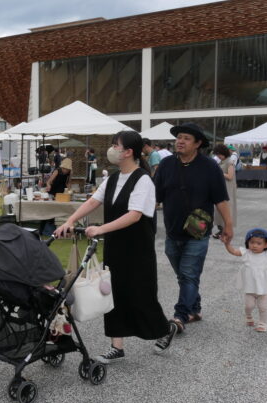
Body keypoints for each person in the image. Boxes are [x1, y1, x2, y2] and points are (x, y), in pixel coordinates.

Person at [55, 131, 177, 363]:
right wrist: (71, 221)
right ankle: (116, 346)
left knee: (141, 294)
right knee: (112, 293)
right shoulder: (113, 178)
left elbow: (134, 215)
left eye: (115, 145)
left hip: (137, 249)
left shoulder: (143, 180)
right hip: (115, 246)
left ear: (129, 152)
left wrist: (101, 229)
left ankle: (164, 328)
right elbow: (93, 201)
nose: (111, 149)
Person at [153, 122, 232, 334]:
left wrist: (228, 226)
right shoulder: (167, 165)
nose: (180, 141)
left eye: (186, 138)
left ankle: (180, 316)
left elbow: (221, 200)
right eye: (179, 137)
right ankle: (195, 309)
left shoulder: (210, 167)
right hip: (172, 231)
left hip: (198, 232)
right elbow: (155, 197)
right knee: (185, 275)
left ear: (197, 144)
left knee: (188, 274)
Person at [223, 228, 267, 333]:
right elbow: (233, 251)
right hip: (250, 287)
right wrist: (227, 244)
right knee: (249, 306)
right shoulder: (247, 253)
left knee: (263, 307)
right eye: (252, 242)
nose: (254, 245)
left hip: (264, 288)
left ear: (266, 245)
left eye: (259, 243)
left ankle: (263, 323)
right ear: (247, 243)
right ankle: (248, 316)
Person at [211, 144, 237, 239]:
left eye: (219, 154)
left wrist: (219, 172)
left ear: (223, 153)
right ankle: (221, 230)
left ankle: (225, 231)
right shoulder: (222, 161)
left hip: (227, 189)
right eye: (217, 154)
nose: (218, 156)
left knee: (226, 209)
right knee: (218, 211)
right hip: (221, 188)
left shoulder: (230, 162)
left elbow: (230, 176)